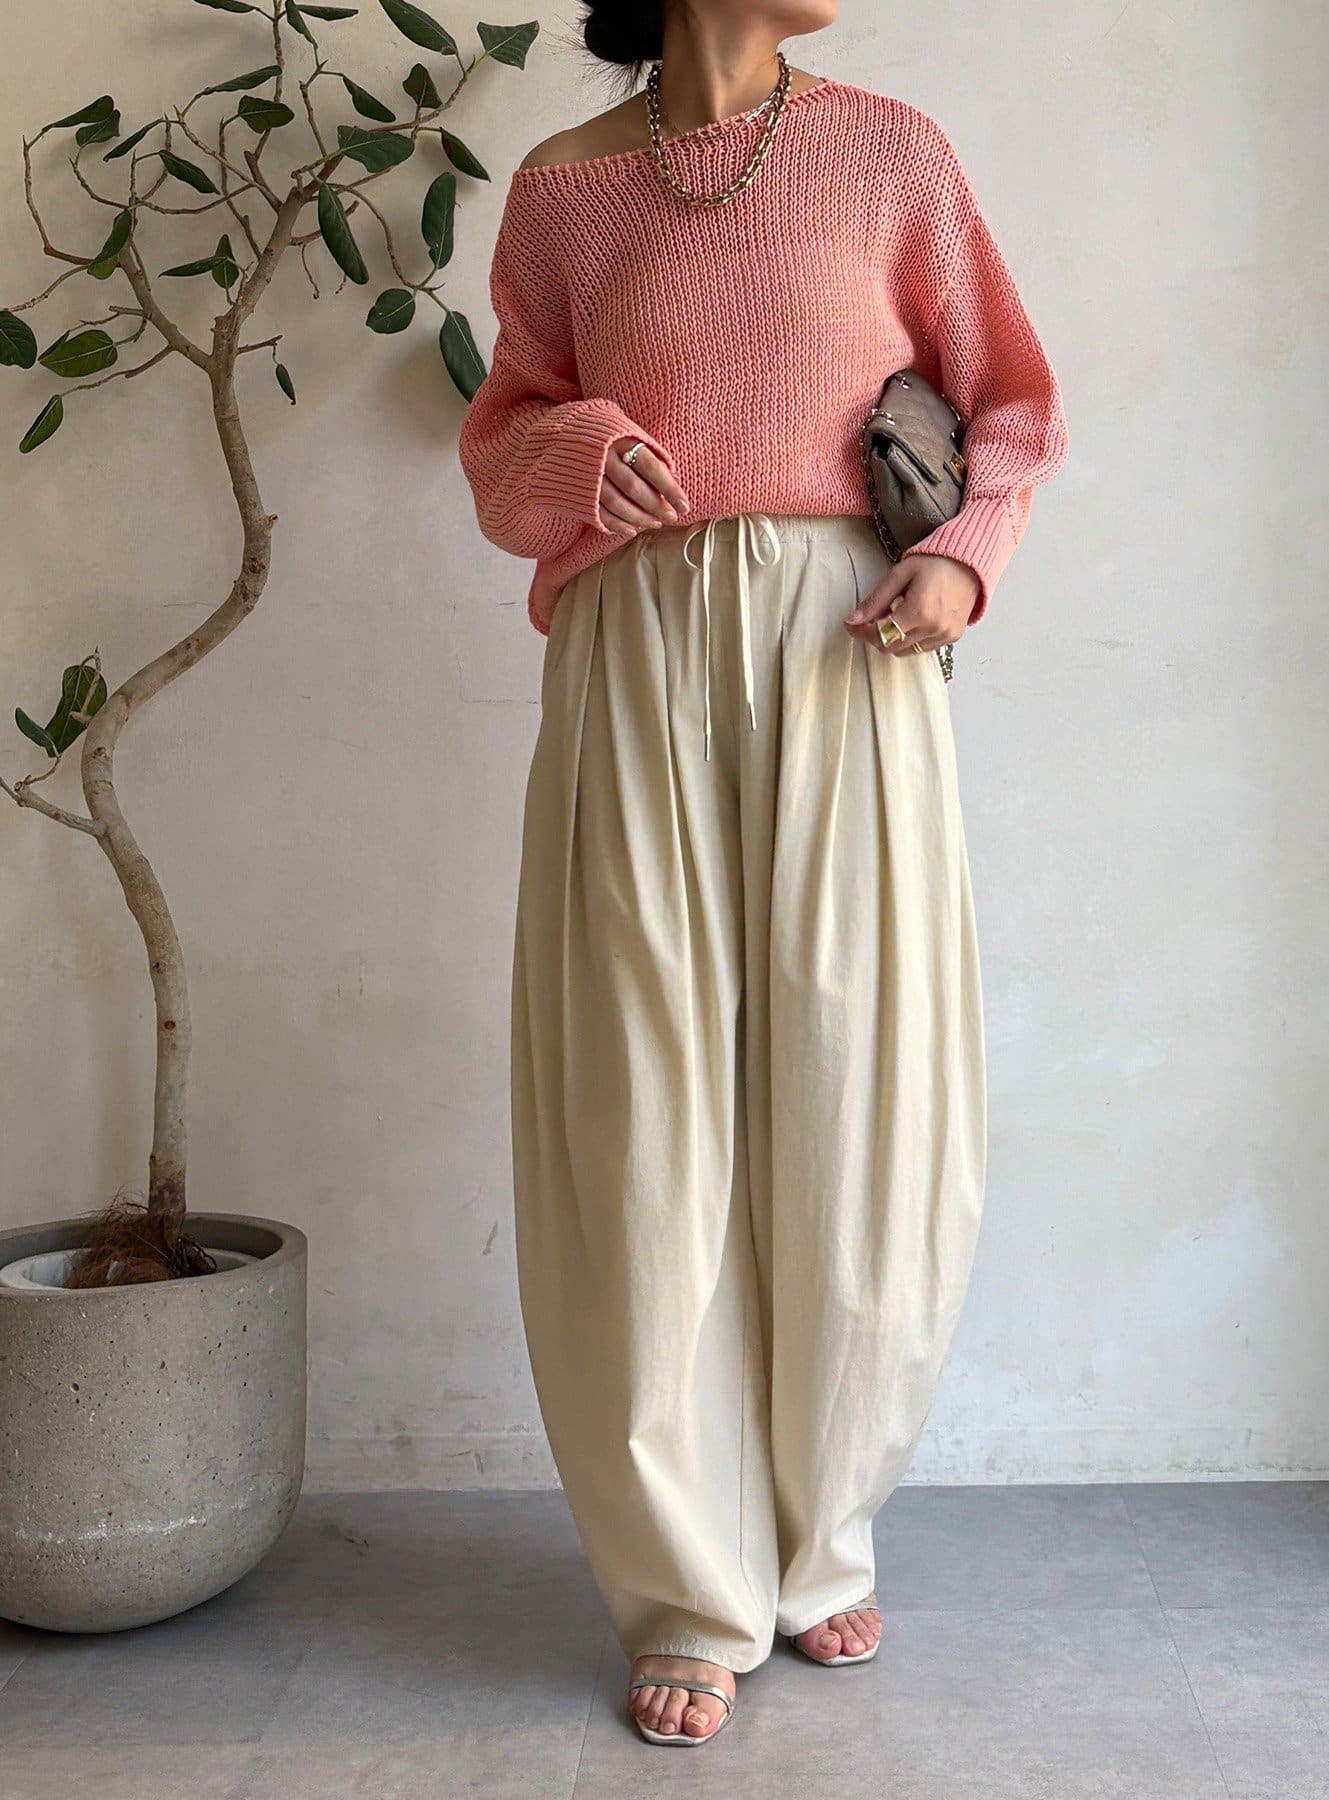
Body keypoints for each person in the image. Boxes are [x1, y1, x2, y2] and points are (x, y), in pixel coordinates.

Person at [457, 0, 1067, 1750]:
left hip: (845, 648)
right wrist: (579, 455)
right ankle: (686, 1581)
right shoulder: (564, 190)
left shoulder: (889, 153)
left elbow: (1014, 403)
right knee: (640, 1102)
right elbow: (501, 443)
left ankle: (824, 1534)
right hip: (635, 650)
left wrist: (962, 559)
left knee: (858, 1083)